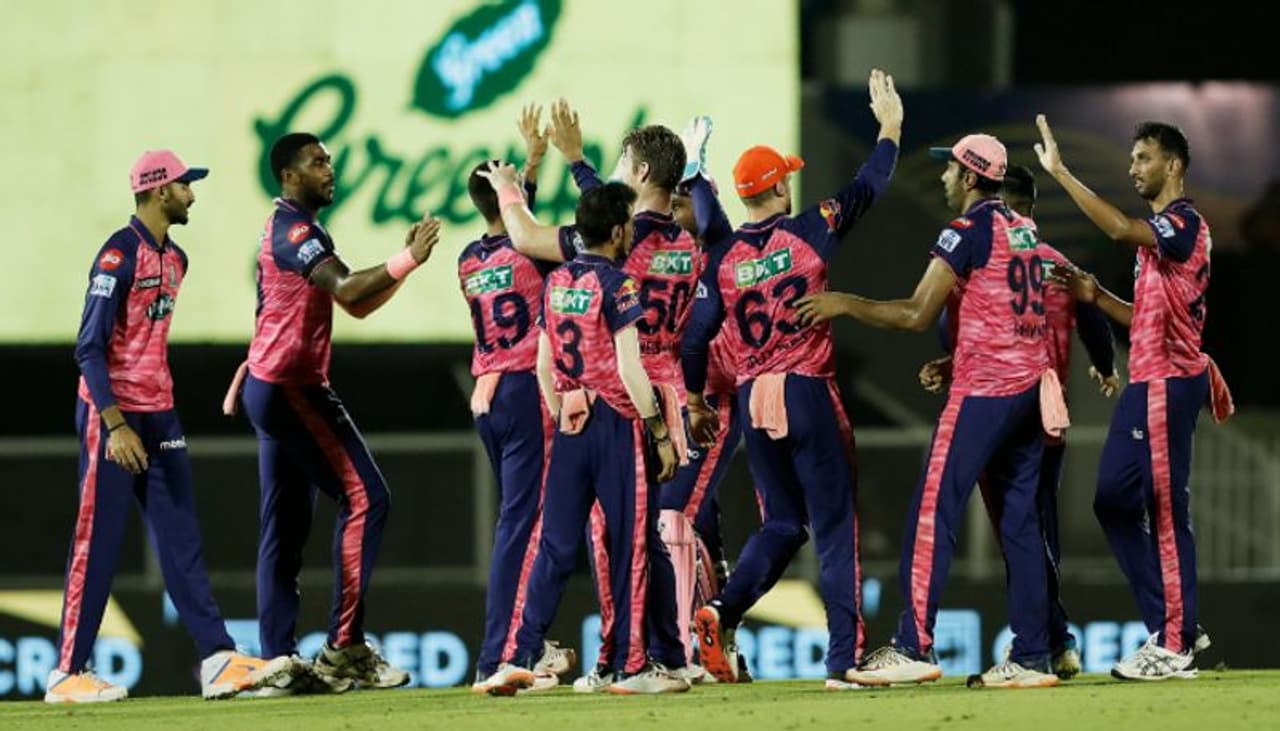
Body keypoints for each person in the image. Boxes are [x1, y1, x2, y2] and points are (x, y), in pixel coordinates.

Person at [797, 133, 1064, 689]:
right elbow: (1012, 316)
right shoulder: (1023, 228)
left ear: (969, 177)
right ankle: (1033, 655)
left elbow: (916, 313)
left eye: (949, 169)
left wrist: (844, 302)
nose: (943, 177)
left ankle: (913, 644)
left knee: (932, 510)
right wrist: (954, 357)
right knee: (1019, 522)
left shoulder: (965, 230)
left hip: (986, 391)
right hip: (1030, 387)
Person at [681, 68, 902, 691]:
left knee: (781, 524)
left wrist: (695, 399)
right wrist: (890, 129)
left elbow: (695, 338)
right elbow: (869, 185)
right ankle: (843, 659)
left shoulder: (724, 259)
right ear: (778, 186)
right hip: (806, 389)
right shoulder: (810, 229)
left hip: (754, 399)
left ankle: (723, 610)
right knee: (834, 525)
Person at [50, 150, 296, 703]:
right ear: (160, 190)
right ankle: (66, 672)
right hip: (113, 416)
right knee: (98, 540)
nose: (192, 193)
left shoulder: (177, 258)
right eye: (185, 184)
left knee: (182, 538)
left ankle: (217, 659)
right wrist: (115, 423)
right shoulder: (118, 254)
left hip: (159, 412)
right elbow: (88, 348)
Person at [490, 100, 698, 690]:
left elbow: (528, 235)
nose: (613, 176)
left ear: (639, 175)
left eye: (621, 165)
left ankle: (577, 657)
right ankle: (650, 658)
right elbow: (614, 220)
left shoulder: (573, 272)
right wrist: (577, 162)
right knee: (639, 541)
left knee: (594, 545)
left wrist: (513, 183)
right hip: (651, 397)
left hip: (599, 405)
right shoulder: (684, 243)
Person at [230, 132, 440, 692]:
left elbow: (357, 305)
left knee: (284, 528)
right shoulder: (295, 231)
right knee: (368, 498)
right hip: (291, 387)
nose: (330, 169)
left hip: (270, 385)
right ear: (288, 175)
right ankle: (344, 647)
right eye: (317, 162)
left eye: (329, 160)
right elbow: (348, 290)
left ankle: (277, 659)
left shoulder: (299, 227)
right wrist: (407, 258)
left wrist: (403, 268)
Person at [1034, 116, 1232, 680]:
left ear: (1173, 164)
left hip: (1170, 381)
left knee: (1165, 507)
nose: (1132, 168)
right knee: (1113, 501)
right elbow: (1144, 315)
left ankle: (1174, 643)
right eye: (1132, 158)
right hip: (1146, 381)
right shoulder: (1162, 238)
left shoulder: (1184, 222)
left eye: (1143, 157)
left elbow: (1120, 228)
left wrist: (1060, 173)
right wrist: (1095, 296)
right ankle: (1175, 622)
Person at [917, 164, 1118, 680]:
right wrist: (1105, 366)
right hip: (1046, 409)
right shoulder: (1055, 263)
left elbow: (953, 324)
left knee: (1014, 527)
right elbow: (1092, 314)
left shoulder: (985, 254)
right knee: (1034, 527)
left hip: (994, 401)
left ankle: (1047, 640)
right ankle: (1052, 641)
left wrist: (955, 361)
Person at [460, 105, 574, 693]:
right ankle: (505, 652)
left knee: (517, 520)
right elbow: (527, 232)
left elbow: (514, 222)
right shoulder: (529, 251)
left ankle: (523, 641)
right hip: (527, 389)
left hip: (487, 395)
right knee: (527, 526)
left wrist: (529, 165)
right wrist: (529, 173)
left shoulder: (468, 259)